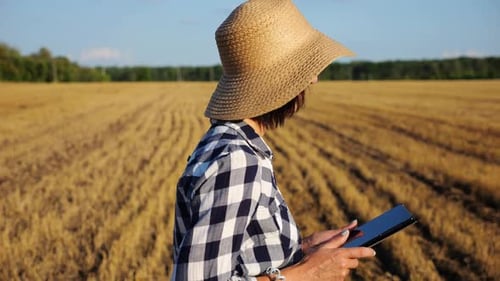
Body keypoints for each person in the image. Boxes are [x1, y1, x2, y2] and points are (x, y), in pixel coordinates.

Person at [172, 0, 376, 280]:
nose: (314, 79)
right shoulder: (237, 160)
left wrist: (303, 250)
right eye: (307, 68)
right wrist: (309, 273)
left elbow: (243, 254)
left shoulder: (227, 143)